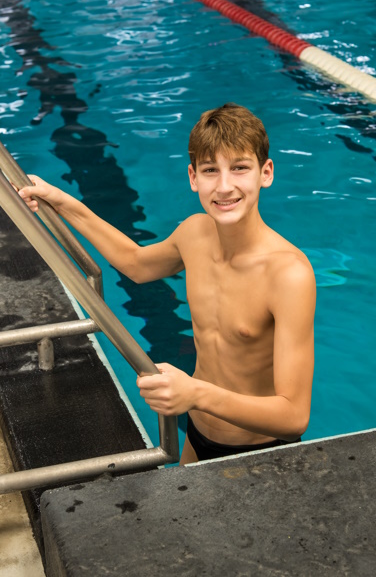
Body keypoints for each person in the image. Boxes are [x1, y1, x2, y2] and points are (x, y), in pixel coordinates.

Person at [18, 103, 316, 464]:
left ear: (265, 173)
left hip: (261, 452)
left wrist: (195, 394)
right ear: (193, 178)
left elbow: (293, 416)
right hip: (198, 434)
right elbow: (136, 264)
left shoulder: (289, 274)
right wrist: (61, 201)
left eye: (239, 168)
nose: (224, 186)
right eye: (210, 171)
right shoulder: (194, 233)